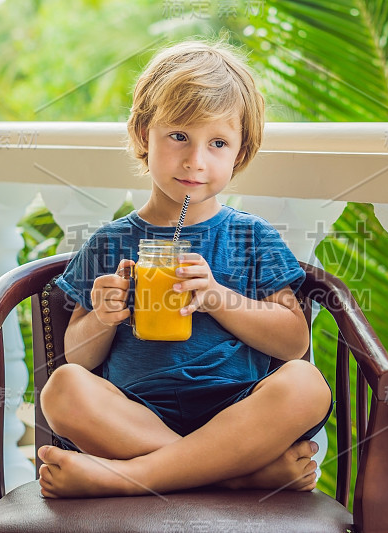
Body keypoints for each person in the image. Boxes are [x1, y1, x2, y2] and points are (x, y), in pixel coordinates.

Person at [37, 39, 333, 498]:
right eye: (179, 136)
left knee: (306, 384)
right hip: (135, 414)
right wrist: (103, 317)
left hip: (236, 412)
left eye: (218, 143)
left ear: (240, 152)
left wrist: (219, 298)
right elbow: (78, 357)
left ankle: (134, 478)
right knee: (62, 388)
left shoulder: (252, 237)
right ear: (142, 135)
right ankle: (235, 476)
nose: (196, 161)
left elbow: (294, 342)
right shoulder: (110, 242)